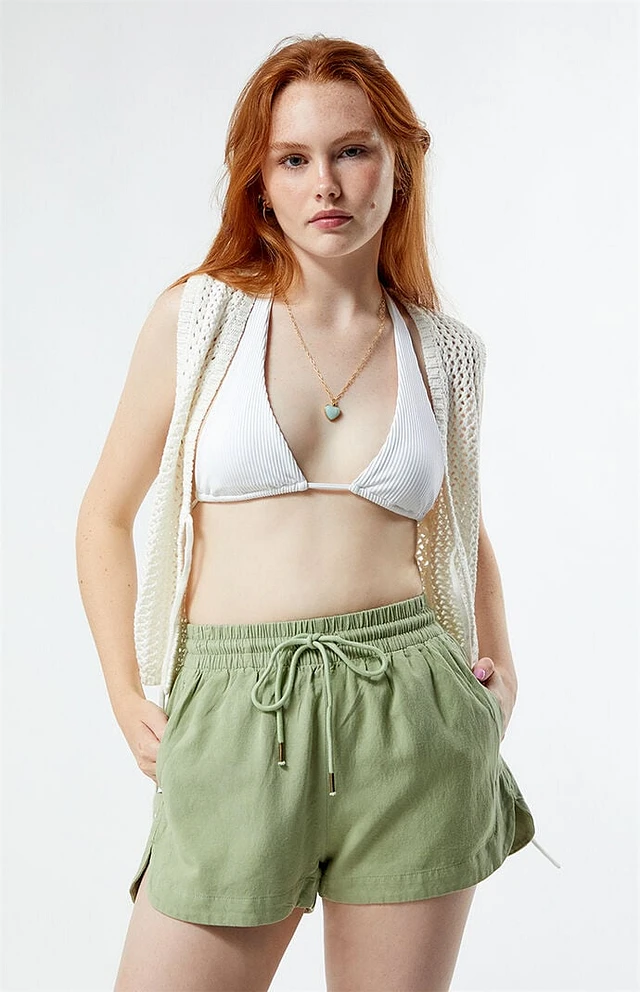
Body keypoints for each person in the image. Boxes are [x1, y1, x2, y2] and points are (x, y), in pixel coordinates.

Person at [76, 33, 559, 992]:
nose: (325, 184)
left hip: (414, 721)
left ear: (398, 163)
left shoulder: (443, 351)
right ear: (260, 185)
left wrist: (499, 681)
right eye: (293, 160)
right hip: (235, 716)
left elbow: (460, 522)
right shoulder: (201, 317)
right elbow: (103, 516)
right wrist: (128, 696)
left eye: (352, 151)